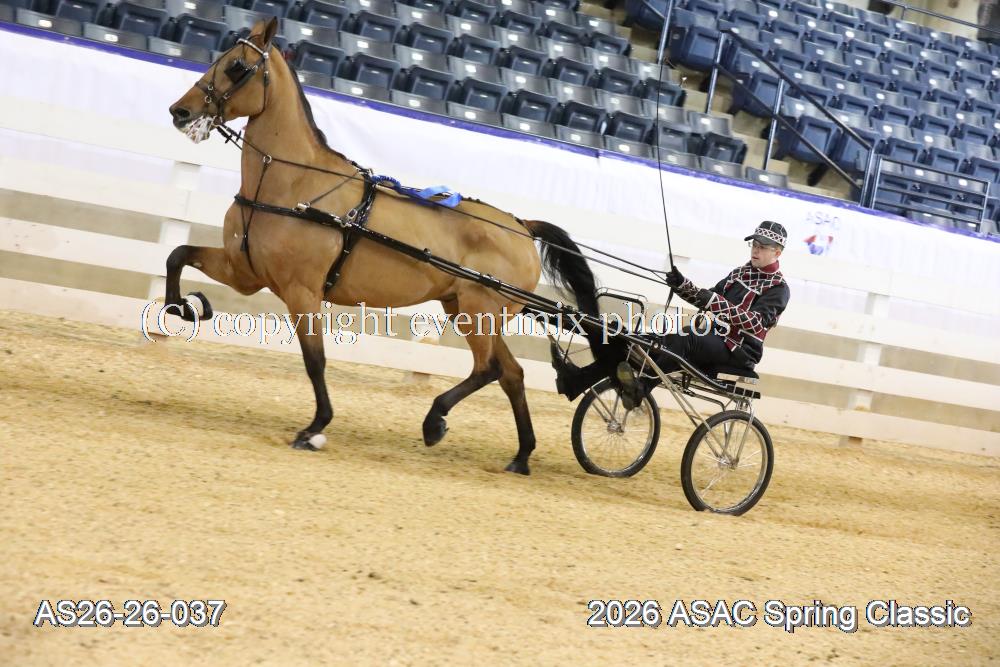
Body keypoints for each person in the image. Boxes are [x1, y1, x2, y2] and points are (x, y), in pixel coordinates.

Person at [551, 221, 791, 405]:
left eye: (762, 247)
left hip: (738, 351)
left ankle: (641, 389)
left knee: (684, 338)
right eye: (754, 245)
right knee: (636, 341)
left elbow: (755, 323)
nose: (755, 250)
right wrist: (681, 284)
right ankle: (577, 381)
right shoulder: (739, 273)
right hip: (713, 338)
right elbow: (705, 298)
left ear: (777, 252)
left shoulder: (778, 288)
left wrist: (712, 300)